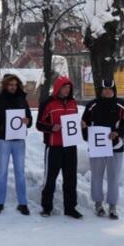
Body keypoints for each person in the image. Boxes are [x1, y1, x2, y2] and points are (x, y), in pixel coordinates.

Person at [81, 79, 124, 219]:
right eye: (105, 89)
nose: (107, 91)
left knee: (114, 177)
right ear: (100, 90)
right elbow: (84, 123)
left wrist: (118, 132)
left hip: (116, 146)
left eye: (110, 89)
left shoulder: (122, 105)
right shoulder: (92, 105)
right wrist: (86, 135)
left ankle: (112, 206)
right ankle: (98, 204)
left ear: (114, 89)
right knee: (96, 176)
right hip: (97, 147)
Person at [0, 74, 32, 215]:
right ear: (5, 85)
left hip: (19, 141)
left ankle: (22, 203)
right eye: (10, 84)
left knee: (20, 173)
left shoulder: (22, 100)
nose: (13, 87)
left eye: (15, 85)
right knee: (2, 172)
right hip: (4, 141)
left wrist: (27, 121)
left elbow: (30, 119)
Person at [36, 76, 82, 218]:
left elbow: (73, 123)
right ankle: (46, 207)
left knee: (71, 179)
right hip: (53, 146)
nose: (67, 90)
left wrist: (81, 125)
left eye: (69, 88)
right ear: (58, 88)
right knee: (50, 178)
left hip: (70, 146)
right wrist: (51, 128)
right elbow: (39, 124)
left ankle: (70, 208)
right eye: (64, 87)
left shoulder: (73, 103)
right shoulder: (47, 103)